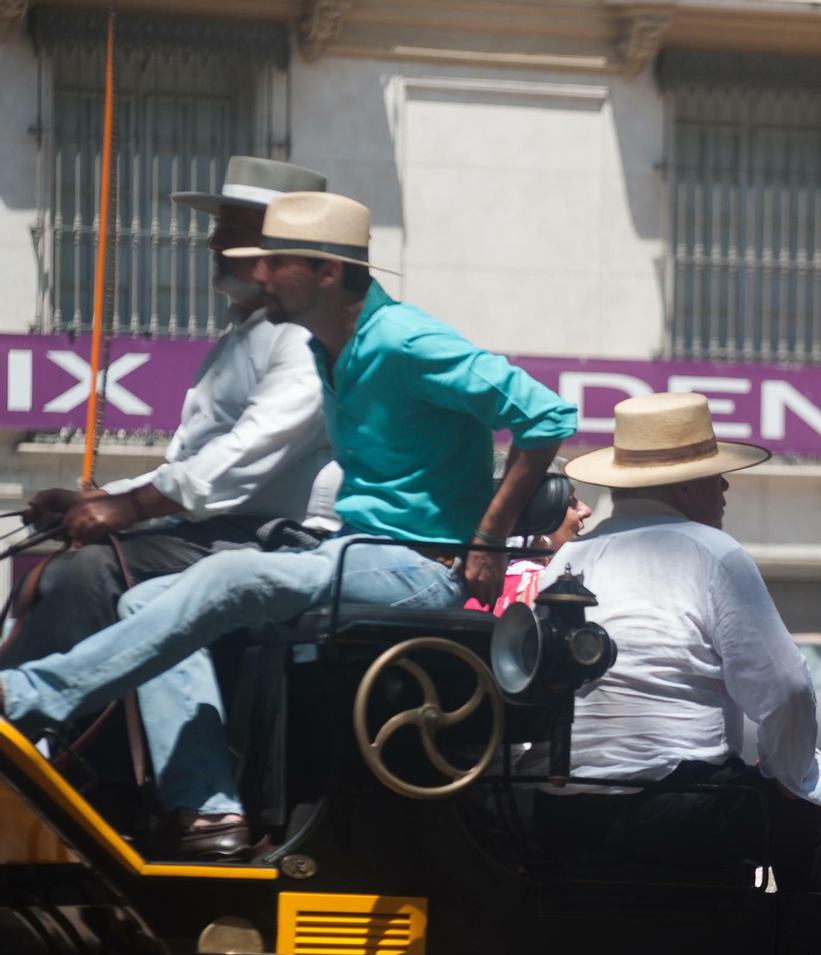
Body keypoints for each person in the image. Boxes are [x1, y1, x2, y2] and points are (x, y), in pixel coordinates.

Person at [0, 192, 576, 858]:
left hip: (421, 568)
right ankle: (209, 809)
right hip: (355, 554)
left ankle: (28, 697)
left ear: (327, 273)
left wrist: (488, 538)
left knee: (230, 575)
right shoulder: (324, 347)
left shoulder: (407, 339)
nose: (260, 274)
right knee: (144, 600)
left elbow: (547, 415)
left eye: (276, 262)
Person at [1, 157, 338, 672]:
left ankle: (36, 712)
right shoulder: (239, 340)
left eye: (229, 229)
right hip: (220, 530)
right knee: (51, 573)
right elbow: (189, 465)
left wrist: (131, 507)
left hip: (278, 539)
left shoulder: (305, 340)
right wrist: (98, 500)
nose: (212, 243)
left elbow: (242, 456)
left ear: (277, 246)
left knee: (91, 572)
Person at [520, 391, 821, 892]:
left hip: (559, 813)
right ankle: (819, 945)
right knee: (812, 800)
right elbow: (787, 690)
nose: (724, 486)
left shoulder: (567, 560)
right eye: (714, 474)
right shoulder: (713, 551)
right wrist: (789, 778)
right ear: (685, 484)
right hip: (677, 815)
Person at [464, 459, 592, 616]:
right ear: (535, 515)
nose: (586, 510)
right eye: (570, 501)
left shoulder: (466, 581)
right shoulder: (547, 586)